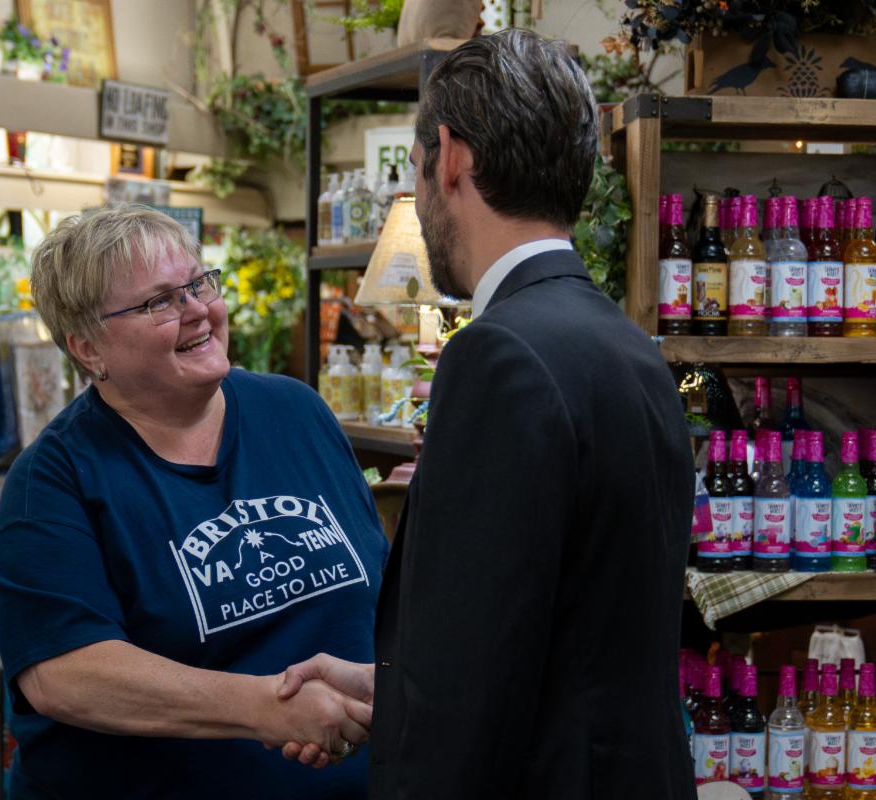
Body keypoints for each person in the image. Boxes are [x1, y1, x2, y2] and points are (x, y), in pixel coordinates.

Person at [282, 29, 696, 798]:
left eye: (414, 168)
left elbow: (467, 685)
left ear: (451, 156)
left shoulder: (498, 356)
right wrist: (390, 684)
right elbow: (570, 629)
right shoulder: (627, 343)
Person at [0, 206, 386, 798]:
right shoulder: (51, 483)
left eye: (198, 284)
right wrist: (268, 707)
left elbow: (374, 588)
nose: (198, 309)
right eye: (159, 302)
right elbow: (65, 674)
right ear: (88, 346)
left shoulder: (297, 412)